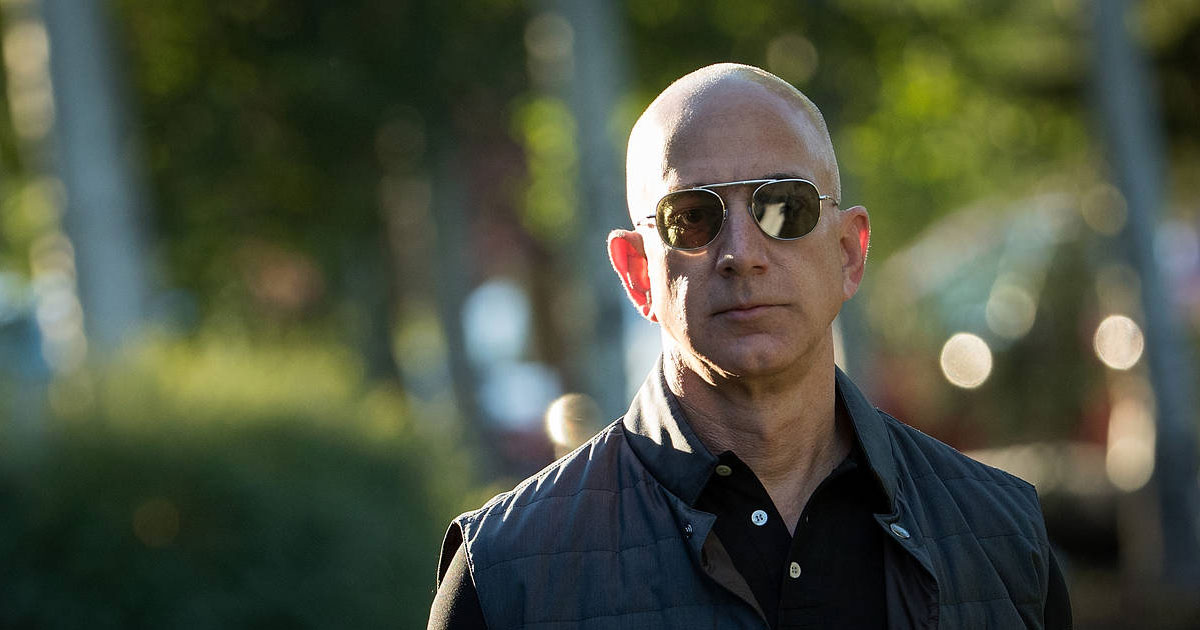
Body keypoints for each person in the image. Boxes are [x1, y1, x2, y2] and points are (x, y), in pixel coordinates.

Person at [428, 63, 1071, 629]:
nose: (741, 253)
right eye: (692, 217)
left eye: (784, 208)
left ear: (849, 252)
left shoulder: (1004, 540)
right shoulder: (508, 576)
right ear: (638, 273)